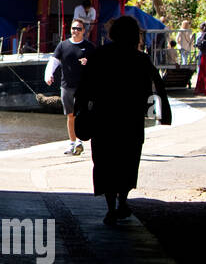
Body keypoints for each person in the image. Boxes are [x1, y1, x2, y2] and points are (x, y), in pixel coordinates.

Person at [73, 14, 172, 226]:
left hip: (104, 119)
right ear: (135, 35)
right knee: (128, 161)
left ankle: (110, 207)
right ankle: (123, 201)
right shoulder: (141, 59)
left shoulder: (100, 55)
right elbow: (155, 86)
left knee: (105, 163)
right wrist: (161, 113)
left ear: (113, 33)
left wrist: (80, 109)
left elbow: (85, 86)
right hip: (130, 120)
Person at [45, 18, 94, 155]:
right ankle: (72, 143)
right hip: (66, 86)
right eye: (73, 28)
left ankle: (79, 140)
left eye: (79, 29)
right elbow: (53, 62)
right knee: (70, 115)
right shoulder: (63, 45)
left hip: (83, 87)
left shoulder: (89, 47)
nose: (75, 31)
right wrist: (49, 75)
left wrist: (88, 62)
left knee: (80, 114)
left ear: (83, 31)